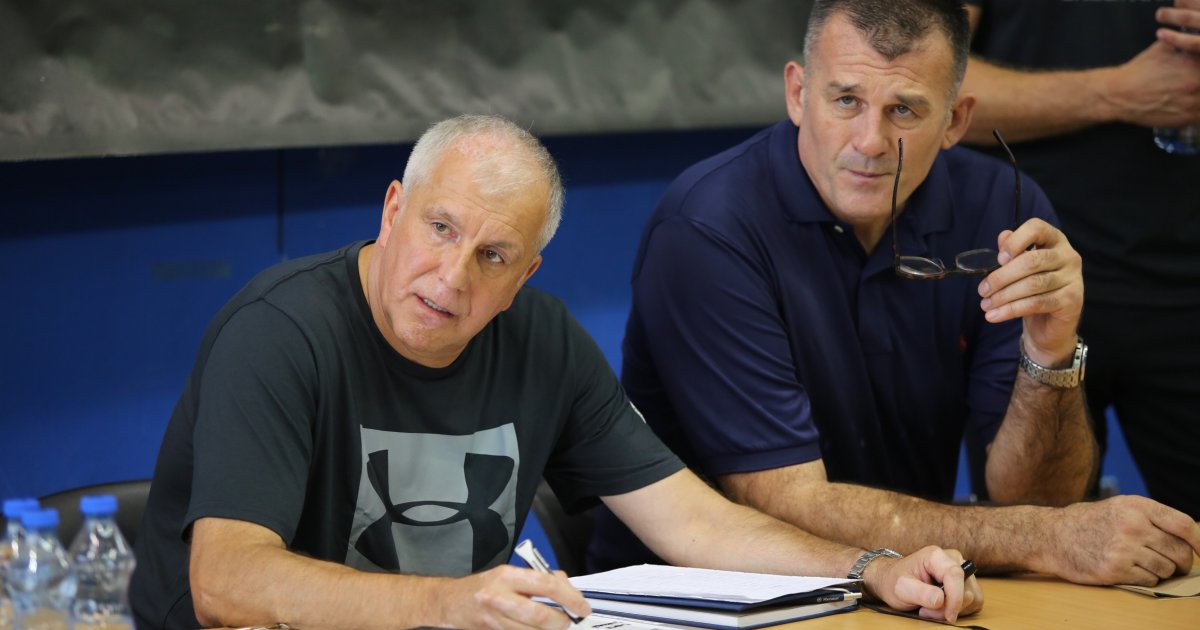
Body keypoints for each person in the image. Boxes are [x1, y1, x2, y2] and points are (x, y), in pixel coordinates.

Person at [128, 114, 981, 630]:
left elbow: (695, 523)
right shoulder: (280, 332)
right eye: (439, 228)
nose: (451, 278)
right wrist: (446, 604)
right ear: (392, 211)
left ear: (525, 275)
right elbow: (224, 582)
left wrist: (868, 566)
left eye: (493, 255)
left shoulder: (543, 341)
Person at [587, 0, 1200, 587]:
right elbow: (782, 501)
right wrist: (1042, 538)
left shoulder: (1002, 209)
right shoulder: (708, 226)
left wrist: (1050, 354)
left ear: (955, 121)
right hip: (703, 597)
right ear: (797, 93)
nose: (870, 142)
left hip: (907, 586)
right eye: (846, 100)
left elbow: (1038, 502)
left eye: (904, 110)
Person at [960, 1, 1200, 520]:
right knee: (1031, 534)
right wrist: (1117, 92)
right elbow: (923, 81)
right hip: (1026, 279)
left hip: (1184, 285)